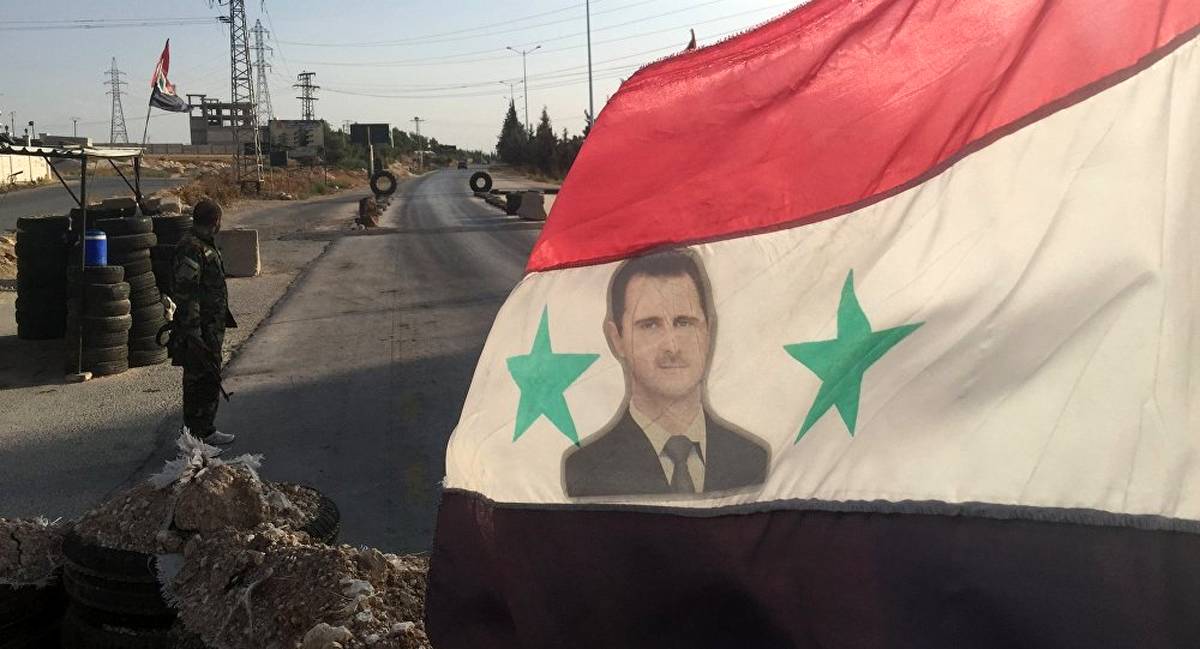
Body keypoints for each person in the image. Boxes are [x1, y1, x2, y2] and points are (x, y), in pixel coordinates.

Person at [564, 250, 769, 497]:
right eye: (650, 325)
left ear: (709, 331)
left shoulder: (754, 459)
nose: (672, 347)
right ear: (616, 338)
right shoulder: (585, 470)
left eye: (684, 323)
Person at [171, 197, 236, 445]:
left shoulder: (203, 244)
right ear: (215, 221)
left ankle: (202, 430)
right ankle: (199, 433)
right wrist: (194, 331)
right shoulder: (191, 247)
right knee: (200, 379)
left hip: (210, 325)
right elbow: (186, 292)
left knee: (207, 376)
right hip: (200, 328)